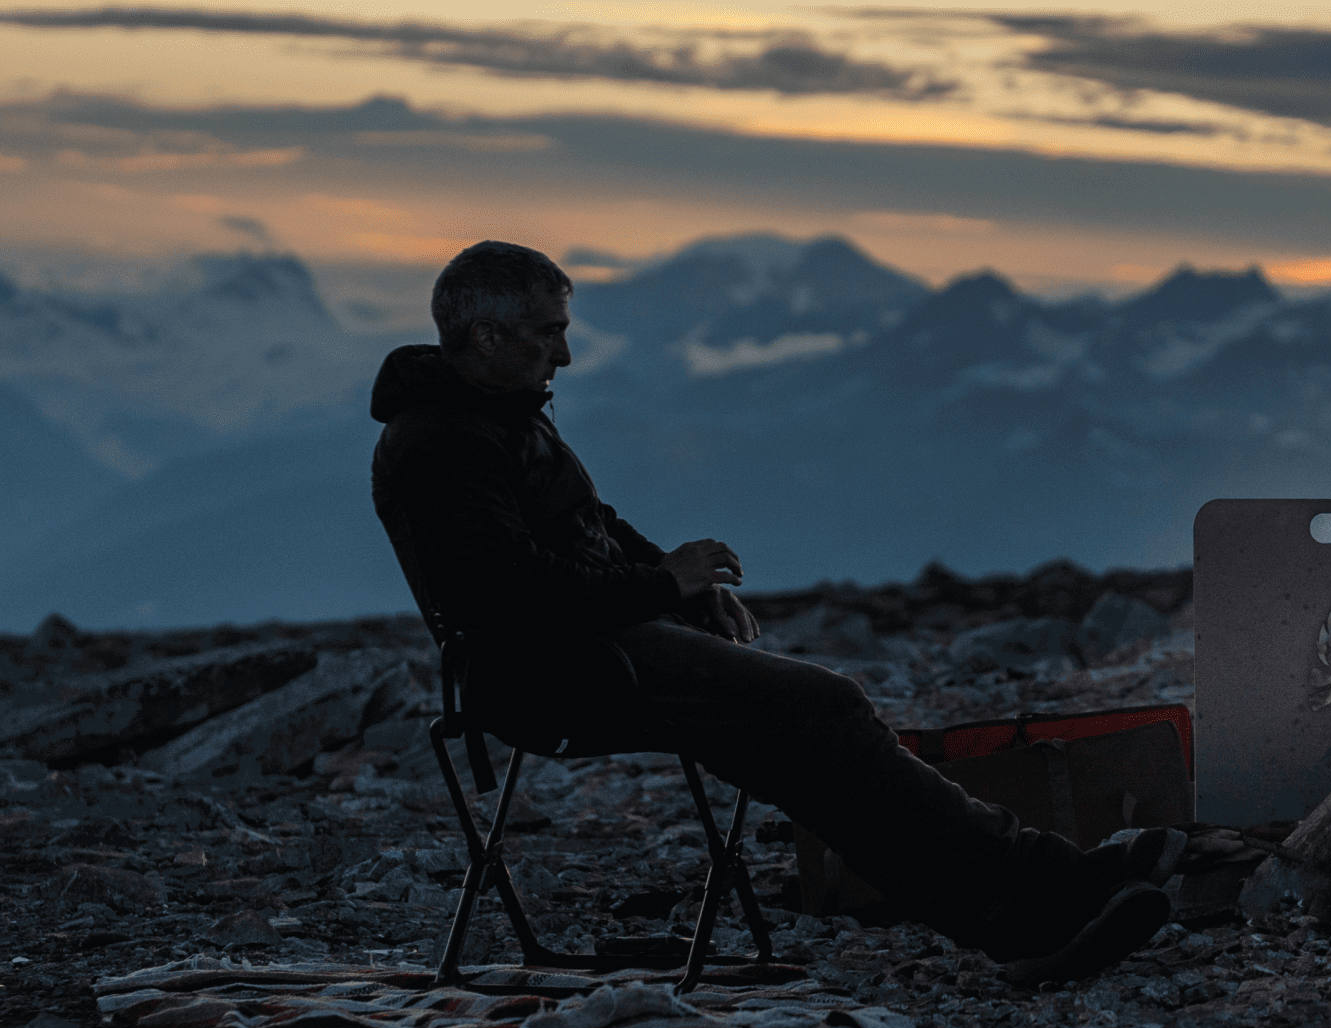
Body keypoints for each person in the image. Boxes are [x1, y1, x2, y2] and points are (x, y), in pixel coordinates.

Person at [369, 240, 1180, 986]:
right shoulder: (438, 445)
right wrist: (662, 589)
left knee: (806, 730)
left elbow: (591, 527)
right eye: (548, 333)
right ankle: (1031, 902)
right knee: (819, 709)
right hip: (552, 672)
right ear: (484, 337)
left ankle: (1036, 898)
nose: (566, 353)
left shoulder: (502, 415)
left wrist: (675, 582)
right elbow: (507, 590)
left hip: (597, 644)